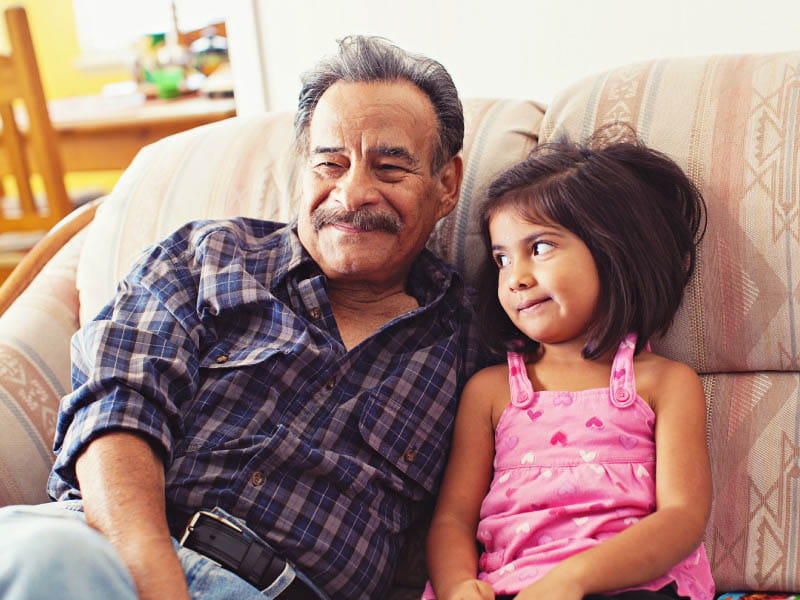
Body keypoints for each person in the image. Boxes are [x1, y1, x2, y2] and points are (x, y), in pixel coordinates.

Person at [0, 36, 486, 600]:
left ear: (446, 184)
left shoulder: (476, 340)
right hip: (100, 551)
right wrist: (152, 577)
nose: (352, 193)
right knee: (45, 557)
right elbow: (118, 408)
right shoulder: (210, 256)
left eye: (390, 169)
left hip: (272, 592)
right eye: (330, 163)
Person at [423, 136, 715, 600]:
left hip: (629, 586)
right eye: (502, 258)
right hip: (510, 589)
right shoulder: (491, 391)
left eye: (539, 248)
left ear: (611, 251)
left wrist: (571, 580)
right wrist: (458, 585)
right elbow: (453, 519)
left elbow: (682, 518)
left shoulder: (664, 383)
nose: (515, 277)